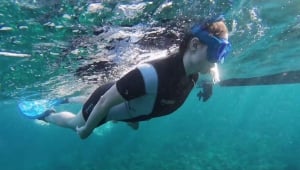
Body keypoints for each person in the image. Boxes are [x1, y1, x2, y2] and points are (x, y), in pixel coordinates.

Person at [43, 16, 231, 139]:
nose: (219, 60)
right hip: (107, 102)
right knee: (74, 123)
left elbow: (212, 69)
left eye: (224, 52)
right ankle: (47, 115)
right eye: (218, 51)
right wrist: (87, 130)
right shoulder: (149, 75)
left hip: (135, 104)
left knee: (125, 113)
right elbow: (103, 102)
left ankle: (74, 101)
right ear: (195, 45)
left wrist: (212, 78)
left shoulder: (193, 72)